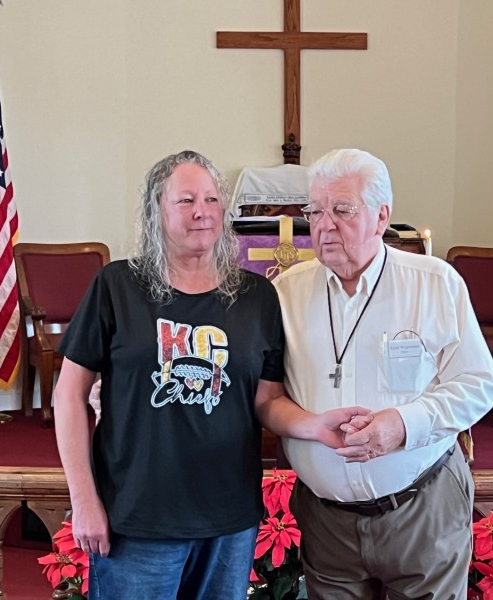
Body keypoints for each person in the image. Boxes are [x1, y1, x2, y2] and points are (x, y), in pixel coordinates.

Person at [53, 150, 368, 600]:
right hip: (138, 517)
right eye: (185, 200)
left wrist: (314, 425)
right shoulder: (116, 286)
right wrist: (84, 500)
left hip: (228, 520)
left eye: (211, 199)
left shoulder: (257, 296)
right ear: (157, 211)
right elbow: (69, 396)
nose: (201, 211)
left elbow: (266, 399)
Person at [271, 148, 493, 599]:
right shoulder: (285, 293)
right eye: (315, 211)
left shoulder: (433, 283)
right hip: (327, 520)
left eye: (342, 210)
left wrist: (402, 424)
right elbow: (264, 392)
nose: (324, 225)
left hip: (422, 506)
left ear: (381, 217)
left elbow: (480, 384)